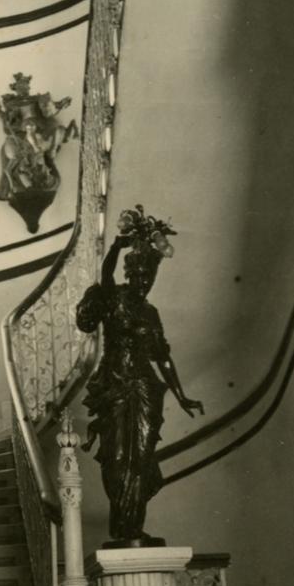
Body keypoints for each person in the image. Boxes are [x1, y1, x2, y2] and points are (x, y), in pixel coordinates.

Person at [76, 208, 204, 546]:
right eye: (139, 275)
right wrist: (116, 247)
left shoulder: (151, 312)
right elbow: (104, 278)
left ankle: (134, 528)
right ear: (130, 273)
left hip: (146, 389)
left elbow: (163, 358)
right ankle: (122, 528)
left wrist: (182, 396)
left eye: (149, 278)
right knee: (118, 456)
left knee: (142, 459)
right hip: (116, 385)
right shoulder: (115, 298)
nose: (144, 282)